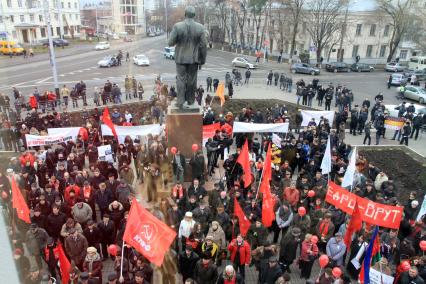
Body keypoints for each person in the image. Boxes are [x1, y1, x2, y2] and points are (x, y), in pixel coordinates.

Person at [168, 6, 207, 109]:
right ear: (194, 15)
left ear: (185, 14)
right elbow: (204, 45)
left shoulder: (177, 26)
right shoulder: (200, 27)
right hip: (194, 59)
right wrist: (202, 60)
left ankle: (180, 101)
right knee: (192, 80)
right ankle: (190, 100)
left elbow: (170, 43)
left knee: (180, 79)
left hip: (180, 58)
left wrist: (178, 39)